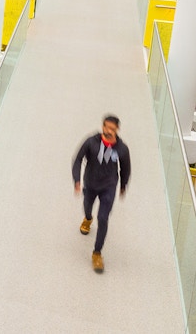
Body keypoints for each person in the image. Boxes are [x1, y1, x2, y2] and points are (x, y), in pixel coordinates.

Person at [72, 115, 131, 273]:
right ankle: (88, 218)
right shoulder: (91, 142)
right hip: (90, 184)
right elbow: (78, 159)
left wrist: (123, 185)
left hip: (108, 187)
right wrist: (77, 180)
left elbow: (125, 168)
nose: (109, 131)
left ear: (117, 129)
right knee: (87, 207)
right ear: (103, 127)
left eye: (112, 129)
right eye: (107, 127)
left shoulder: (122, 149)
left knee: (103, 218)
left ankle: (97, 253)